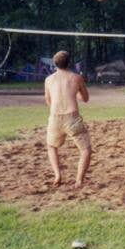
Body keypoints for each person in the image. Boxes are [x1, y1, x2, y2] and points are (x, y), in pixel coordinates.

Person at [44, 50, 92, 188]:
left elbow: (48, 100)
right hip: (72, 118)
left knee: (51, 146)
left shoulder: (48, 79)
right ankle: (79, 181)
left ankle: (57, 174)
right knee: (85, 150)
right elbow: (85, 99)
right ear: (69, 63)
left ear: (55, 63)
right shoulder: (76, 78)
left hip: (55, 117)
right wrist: (75, 92)